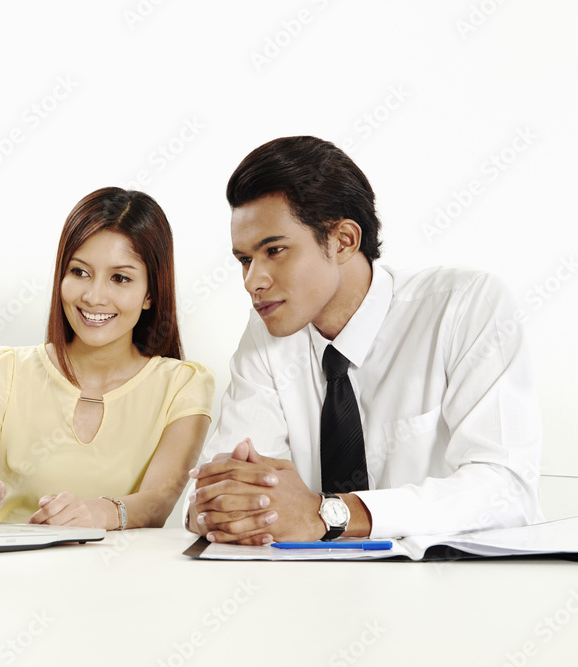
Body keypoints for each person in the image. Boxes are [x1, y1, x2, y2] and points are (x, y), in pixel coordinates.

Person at [187, 136, 542, 545]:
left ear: (344, 240)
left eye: (275, 250)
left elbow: (506, 489)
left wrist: (326, 513)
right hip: (318, 581)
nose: (253, 281)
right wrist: (223, 507)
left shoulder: (465, 306)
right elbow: (207, 496)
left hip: (458, 579)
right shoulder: (267, 333)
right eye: (245, 260)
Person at [0, 187, 215, 529]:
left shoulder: (184, 384)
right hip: (9, 562)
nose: (94, 296)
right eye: (79, 272)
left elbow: (158, 503)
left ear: (150, 294)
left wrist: (98, 513)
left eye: (120, 278)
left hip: (123, 565)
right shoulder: (3, 370)